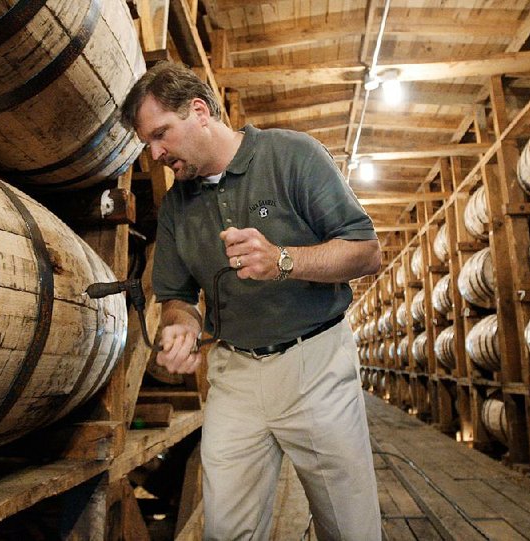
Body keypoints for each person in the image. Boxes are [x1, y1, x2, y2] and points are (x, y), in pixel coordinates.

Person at [121, 61, 382, 541]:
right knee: (227, 530)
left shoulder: (292, 155)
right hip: (234, 373)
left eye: (161, 134)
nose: (155, 153)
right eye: (148, 144)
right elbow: (177, 297)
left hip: (315, 366)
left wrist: (283, 260)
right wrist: (179, 325)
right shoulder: (178, 205)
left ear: (199, 111)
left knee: (349, 527)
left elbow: (367, 252)